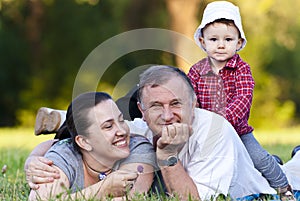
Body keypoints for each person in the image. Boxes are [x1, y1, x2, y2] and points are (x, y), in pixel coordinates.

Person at [26, 65, 300, 201]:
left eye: (176, 104)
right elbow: (77, 141)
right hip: (229, 166)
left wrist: (168, 156)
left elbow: (190, 199)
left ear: (194, 103)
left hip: (258, 192)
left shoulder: (215, 132)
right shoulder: (140, 129)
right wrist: (34, 159)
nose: (167, 115)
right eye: (156, 106)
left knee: (293, 174)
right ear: (142, 112)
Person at [186, 1, 294, 199]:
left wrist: (221, 122)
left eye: (228, 39)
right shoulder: (196, 71)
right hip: (207, 133)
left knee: (259, 158)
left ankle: (283, 187)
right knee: (209, 163)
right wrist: (198, 122)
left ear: (238, 42)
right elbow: (190, 100)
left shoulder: (241, 69)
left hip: (238, 130)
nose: (220, 45)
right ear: (203, 42)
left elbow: (242, 99)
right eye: (213, 39)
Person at [26, 92, 156, 200]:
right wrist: (102, 189)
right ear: (84, 142)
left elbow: (131, 197)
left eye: (121, 120)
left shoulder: (139, 148)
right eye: (108, 126)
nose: (122, 131)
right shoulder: (65, 154)